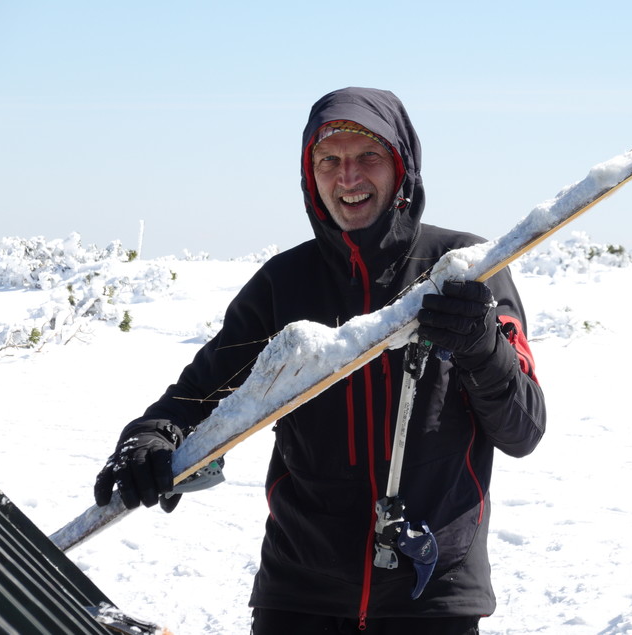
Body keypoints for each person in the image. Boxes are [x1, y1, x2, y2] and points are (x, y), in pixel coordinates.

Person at [93, 87, 547, 634]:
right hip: (299, 595)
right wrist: (153, 435)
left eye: (368, 158)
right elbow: (197, 397)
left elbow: (524, 429)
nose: (348, 178)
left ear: (402, 166)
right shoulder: (284, 285)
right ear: (310, 175)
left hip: (432, 596)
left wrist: (482, 346)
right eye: (329, 160)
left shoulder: (466, 270)